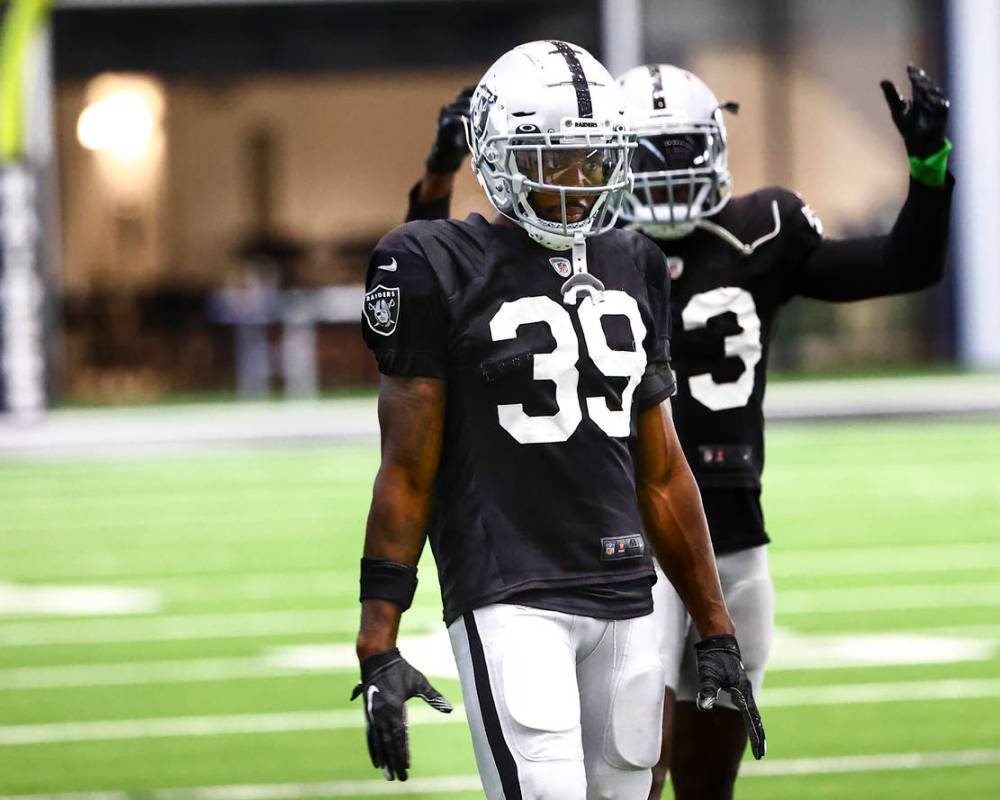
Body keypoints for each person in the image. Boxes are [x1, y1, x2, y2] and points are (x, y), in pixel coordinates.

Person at [404, 61, 953, 800]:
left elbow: (903, 263)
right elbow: (436, 268)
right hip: (631, 528)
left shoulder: (761, 231)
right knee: (634, 753)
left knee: (714, 757)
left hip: (734, 526)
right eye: (651, 155)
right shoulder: (590, 245)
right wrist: (444, 167)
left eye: (683, 151)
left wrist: (929, 166)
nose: (666, 175)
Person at [354, 40, 765, 800]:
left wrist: (715, 628)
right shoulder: (434, 261)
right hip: (509, 592)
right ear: (502, 155)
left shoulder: (634, 261)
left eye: (594, 158)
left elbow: (663, 469)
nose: (579, 182)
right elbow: (406, 466)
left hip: (626, 594)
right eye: (556, 157)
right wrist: (378, 634)